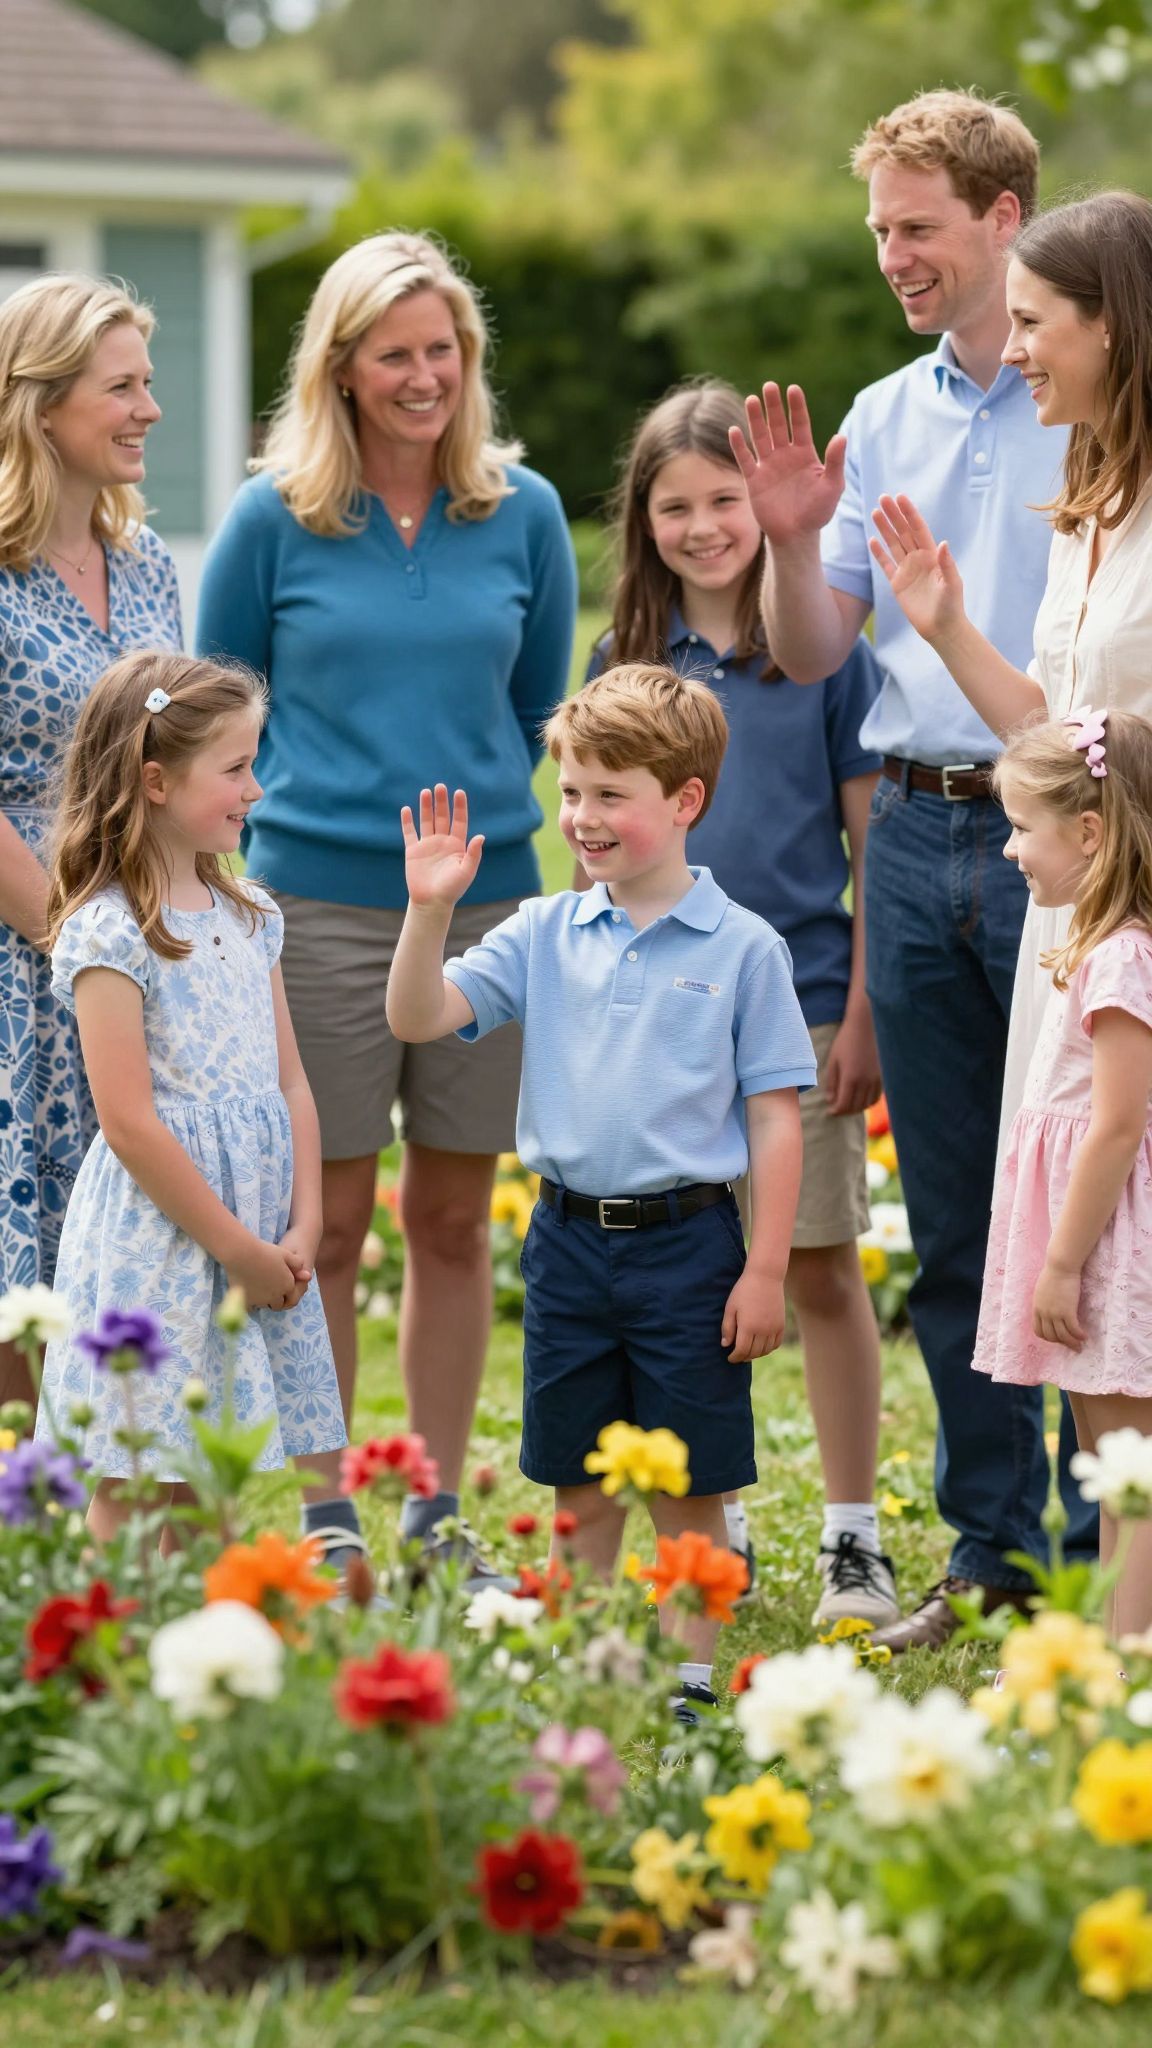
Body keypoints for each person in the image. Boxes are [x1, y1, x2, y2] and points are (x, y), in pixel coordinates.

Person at [731, 88, 1097, 1654]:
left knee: (1093, 1190)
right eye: (880, 228)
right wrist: (788, 539)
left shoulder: (1097, 399)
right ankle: (997, 1547)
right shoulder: (881, 416)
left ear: (1005, 218)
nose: (893, 255)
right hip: (920, 828)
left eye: (919, 226)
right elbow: (818, 650)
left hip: (1074, 835)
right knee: (954, 1217)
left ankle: (1109, 1546)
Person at [197, 231, 577, 1583]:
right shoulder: (271, 519)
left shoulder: (523, 511)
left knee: (456, 1221)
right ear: (342, 368)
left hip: (487, 909)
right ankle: (331, 1510)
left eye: (443, 350)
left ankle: (433, 1504)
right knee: (336, 1223)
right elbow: (216, 716)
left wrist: (459, 837)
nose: (424, 376)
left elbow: (535, 710)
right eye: (394, 354)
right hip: (317, 908)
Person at [385, 665, 815, 1712]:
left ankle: (688, 1685)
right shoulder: (542, 930)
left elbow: (774, 1118)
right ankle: (576, 1673)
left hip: (690, 1249)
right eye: (571, 790)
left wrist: (765, 1270)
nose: (582, 816)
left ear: (686, 799)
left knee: (688, 1482)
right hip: (567, 1244)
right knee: (577, 1480)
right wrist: (428, 913)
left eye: (610, 793)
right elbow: (417, 1016)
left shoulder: (745, 948)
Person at [588, 381, 895, 1628]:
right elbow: (599, 852)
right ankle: (717, 1522)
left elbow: (872, 845)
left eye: (725, 498)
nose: (705, 526)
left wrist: (865, 1009)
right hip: (663, 1022)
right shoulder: (625, 662)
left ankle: (854, 1534)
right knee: (684, 1281)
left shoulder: (823, 650)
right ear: (643, 520)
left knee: (817, 1267)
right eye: (676, 506)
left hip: (804, 1006)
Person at [34, 651, 346, 1545]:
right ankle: (120, 1629)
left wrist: (304, 1224)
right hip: (160, 1239)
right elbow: (129, 1124)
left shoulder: (250, 914)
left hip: (257, 1223)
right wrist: (237, 1249)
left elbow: (290, 1082)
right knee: (138, 1471)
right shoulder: (109, 931)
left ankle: (198, 1625)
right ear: (156, 781)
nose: (257, 787)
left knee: (213, 1463)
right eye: (237, 767)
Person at [868, 190, 1152, 1151]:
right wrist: (945, 627)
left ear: (1109, 323)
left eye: (1032, 323)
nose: (1016, 348)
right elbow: (1052, 729)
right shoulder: (1089, 506)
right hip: (1074, 909)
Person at [0, 274, 182, 1406]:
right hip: (22, 962)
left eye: (147, 382)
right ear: (42, 403)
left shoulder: (148, 563)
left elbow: (186, 760)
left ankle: (96, 1496)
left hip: (139, 944)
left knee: (118, 1251)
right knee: (17, 1262)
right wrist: (76, 948)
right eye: (121, 387)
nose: (148, 408)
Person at [974, 709, 1152, 1637]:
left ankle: (1130, 1659)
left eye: (1019, 828)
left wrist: (1061, 1262)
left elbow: (1118, 1125)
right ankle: (1117, 1645)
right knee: (1108, 1458)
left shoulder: (1121, 957)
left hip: (1106, 1244)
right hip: (1094, 1237)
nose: (1009, 851)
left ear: (1088, 832)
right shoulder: (1101, 941)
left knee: (1129, 1466)